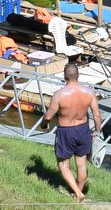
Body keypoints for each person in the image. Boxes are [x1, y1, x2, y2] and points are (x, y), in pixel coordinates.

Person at [43, 61, 100, 202]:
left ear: (64, 76)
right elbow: (97, 115)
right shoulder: (89, 92)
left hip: (66, 131)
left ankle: (78, 193)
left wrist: (44, 124)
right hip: (83, 129)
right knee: (81, 164)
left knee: (63, 164)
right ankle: (78, 192)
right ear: (78, 75)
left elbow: (49, 116)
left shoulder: (59, 94)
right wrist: (98, 130)